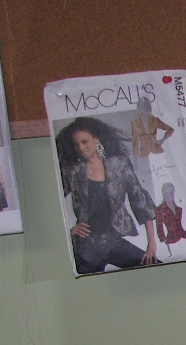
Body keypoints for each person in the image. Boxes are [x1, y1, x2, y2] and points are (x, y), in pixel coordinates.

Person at [55, 117, 158, 275]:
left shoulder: (119, 164)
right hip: (86, 248)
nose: (81, 148)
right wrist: (70, 231)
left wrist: (152, 245)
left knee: (156, 269)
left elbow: (140, 201)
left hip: (114, 242)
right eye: (76, 144)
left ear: (96, 138)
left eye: (85, 141)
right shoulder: (72, 170)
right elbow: (53, 203)